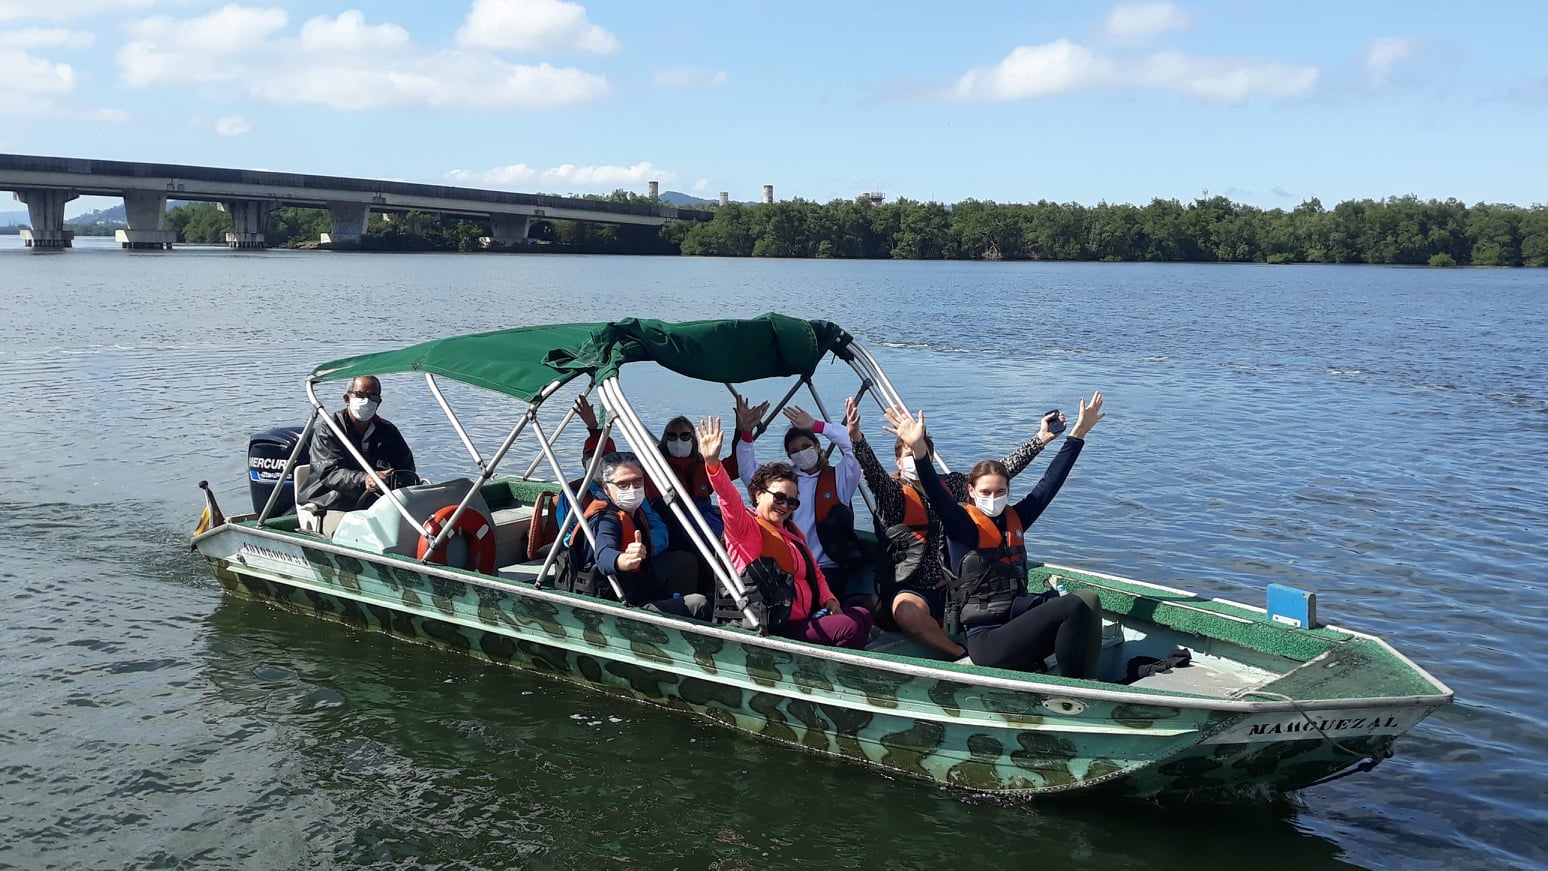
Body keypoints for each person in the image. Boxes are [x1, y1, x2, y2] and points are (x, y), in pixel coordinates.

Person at [885, 393, 1106, 677]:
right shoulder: (961, 525)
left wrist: (1078, 434)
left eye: (1000, 492)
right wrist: (918, 449)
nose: (993, 497)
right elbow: (938, 494)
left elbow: (1050, 483)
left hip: (1015, 614)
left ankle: (1069, 676)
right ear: (971, 492)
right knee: (1075, 606)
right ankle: (1075, 687)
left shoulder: (1015, 519)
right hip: (987, 639)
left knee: (1084, 602)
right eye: (986, 492)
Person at [853, 410, 1067, 659]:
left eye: (919, 453)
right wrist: (858, 440)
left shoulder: (950, 485)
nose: (914, 460)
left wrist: (1040, 439)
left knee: (997, 606)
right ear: (899, 462)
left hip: (953, 588)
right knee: (907, 613)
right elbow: (874, 475)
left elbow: (997, 472)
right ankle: (957, 653)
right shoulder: (893, 496)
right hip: (912, 589)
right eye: (907, 455)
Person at [700, 417, 873, 649]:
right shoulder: (745, 527)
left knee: (862, 615)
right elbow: (728, 498)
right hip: (772, 624)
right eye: (779, 498)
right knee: (849, 627)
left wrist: (829, 599)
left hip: (804, 616)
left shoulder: (793, 533)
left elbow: (816, 575)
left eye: (792, 502)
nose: (784, 506)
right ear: (759, 494)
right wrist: (713, 464)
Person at [737, 398, 868, 609]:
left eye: (806, 446)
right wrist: (745, 434)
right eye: (795, 450)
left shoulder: (840, 478)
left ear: (817, 447)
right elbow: (748, 472)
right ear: (789, 456)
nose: (801, 452)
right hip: (789, 565)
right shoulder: (785, 484)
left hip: (827, 568)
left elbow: (855, 448)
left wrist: (817, 426)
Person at [566, 451, 710, 619]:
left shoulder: (636, 512)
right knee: (699, 604)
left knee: (685, 562)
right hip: (615, 605)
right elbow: (603, 554)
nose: (632, 489)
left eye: (637, 481)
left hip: (640, 588)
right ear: (606, 488)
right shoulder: (605, 519)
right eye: (623, 484)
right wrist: (622, 560)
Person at [297, 375, 416, 512]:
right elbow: (330, 473)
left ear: (379, 402)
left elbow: (407, 469)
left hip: (375, 503)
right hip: (330, 502)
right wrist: (365, 480)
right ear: (347, 399)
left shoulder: (388, 431)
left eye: (373, 397)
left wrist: (392, 479)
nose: (366, 401)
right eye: (360, 395)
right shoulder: (329, 430)